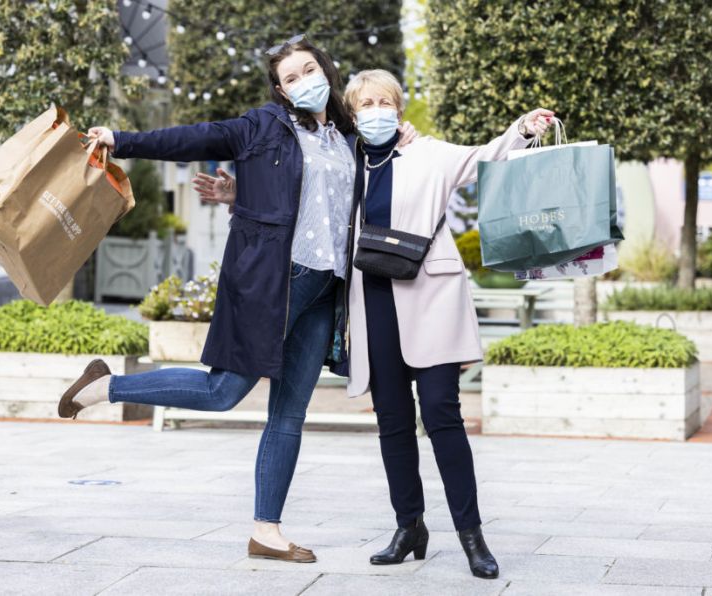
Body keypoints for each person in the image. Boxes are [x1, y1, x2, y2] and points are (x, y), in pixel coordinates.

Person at [59, 36, 416, 563]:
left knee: (290, 415)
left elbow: (327, 196)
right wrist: (120, 138)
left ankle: (265, 532)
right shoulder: (263, 126)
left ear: (326, 70)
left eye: (309, 69)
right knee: (224, 392)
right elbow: (192, 138)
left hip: (325, 290)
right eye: (291, 77)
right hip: (275, 281)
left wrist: (403, 137)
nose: (303, 81)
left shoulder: (346, 134)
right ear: (279, 88)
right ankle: (107, 386)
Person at [342, 69, 553, 579]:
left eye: (384, 100)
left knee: (441, 414)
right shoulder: (345, 161)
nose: (376, 109)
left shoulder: (428, 151)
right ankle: (409, 526)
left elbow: (487, 156)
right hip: (372, 304)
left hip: (430, 296)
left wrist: (523, 128)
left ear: (398, 107)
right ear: (353, 113)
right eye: (366, 103)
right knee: (391, 422)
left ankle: (472, 537)